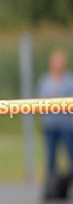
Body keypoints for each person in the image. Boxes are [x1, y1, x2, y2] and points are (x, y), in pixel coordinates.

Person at [37, 48, 73, 181]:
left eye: (60, 62)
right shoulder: (45, 80)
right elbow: (39, 102)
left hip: (66, 125)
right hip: (50, 124)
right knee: (51, 157)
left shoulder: (69, 80)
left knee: (71, 155)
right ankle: (51, 185)